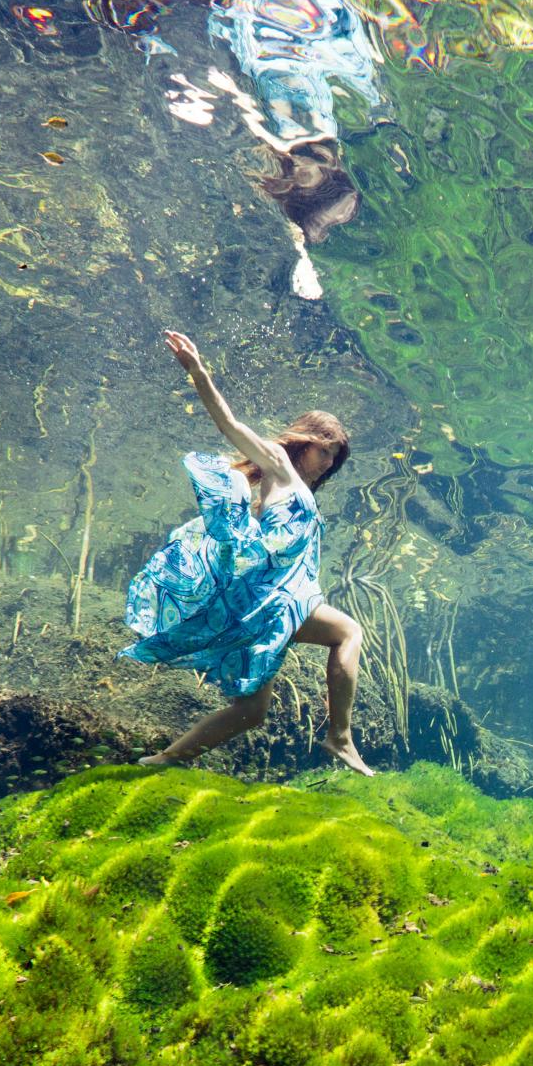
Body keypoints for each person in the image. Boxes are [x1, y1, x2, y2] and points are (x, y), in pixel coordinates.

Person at [120, 330, 375, 775]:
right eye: (327, 450)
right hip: (273, 598)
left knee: (254, 711)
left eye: (337, 457)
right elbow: (230, 426)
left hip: (275, 602)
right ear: (307, 438)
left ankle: (164, 760)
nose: (330, 462)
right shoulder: (278, 462)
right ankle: (340, 738)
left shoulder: (301, 489)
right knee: (348, 632)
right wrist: (198, 371)